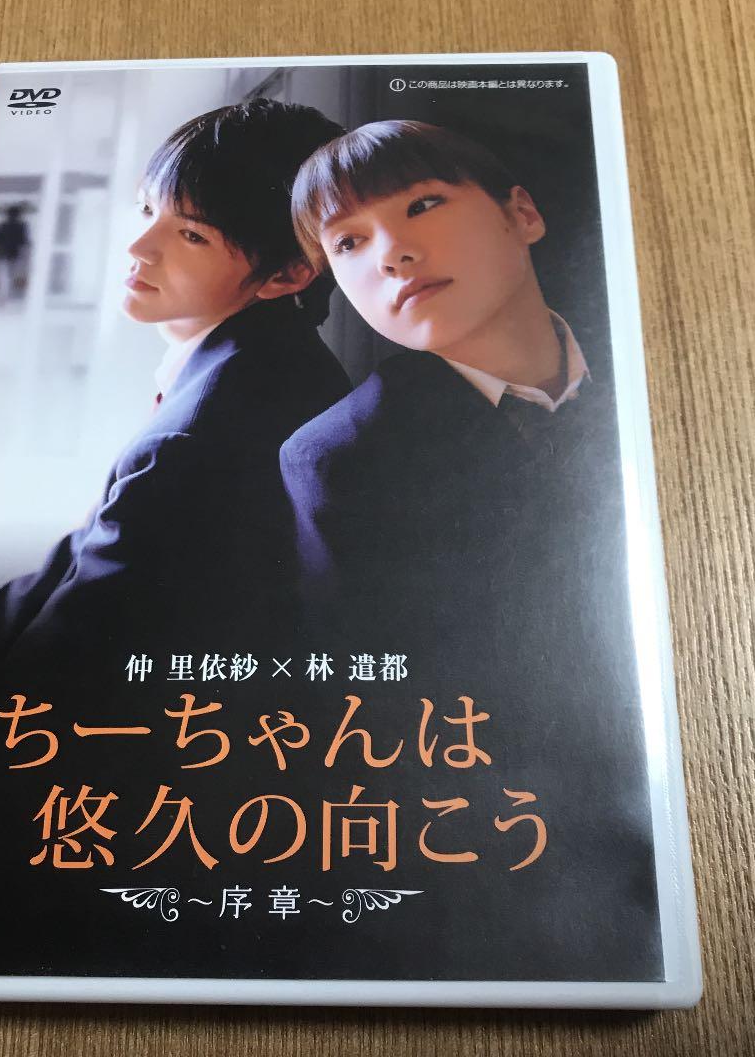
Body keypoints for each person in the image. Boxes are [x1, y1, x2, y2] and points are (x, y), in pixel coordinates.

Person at [278, 120, 663, 980]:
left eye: (422, 205)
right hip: (509, 839)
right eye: (349, 242)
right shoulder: (340, 458)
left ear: (521, 213)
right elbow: (383, 707)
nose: (393, 254)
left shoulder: (656, 373)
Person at [0, 98, 350, 678]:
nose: (139, 247)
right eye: (147, 209)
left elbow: (53, 669)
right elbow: (78, 560)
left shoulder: (195, 437)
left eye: (192, 235)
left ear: (288, 273)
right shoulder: (260, 360)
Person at [0, 205, 30, 305]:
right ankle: (7, 295)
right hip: (15, 253)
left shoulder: (2, 225)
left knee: (3, 275)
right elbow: (24, 241)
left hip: (2, 253)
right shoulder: (22, 226)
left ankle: (2, 296)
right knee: (11, 275)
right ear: (18, 215)